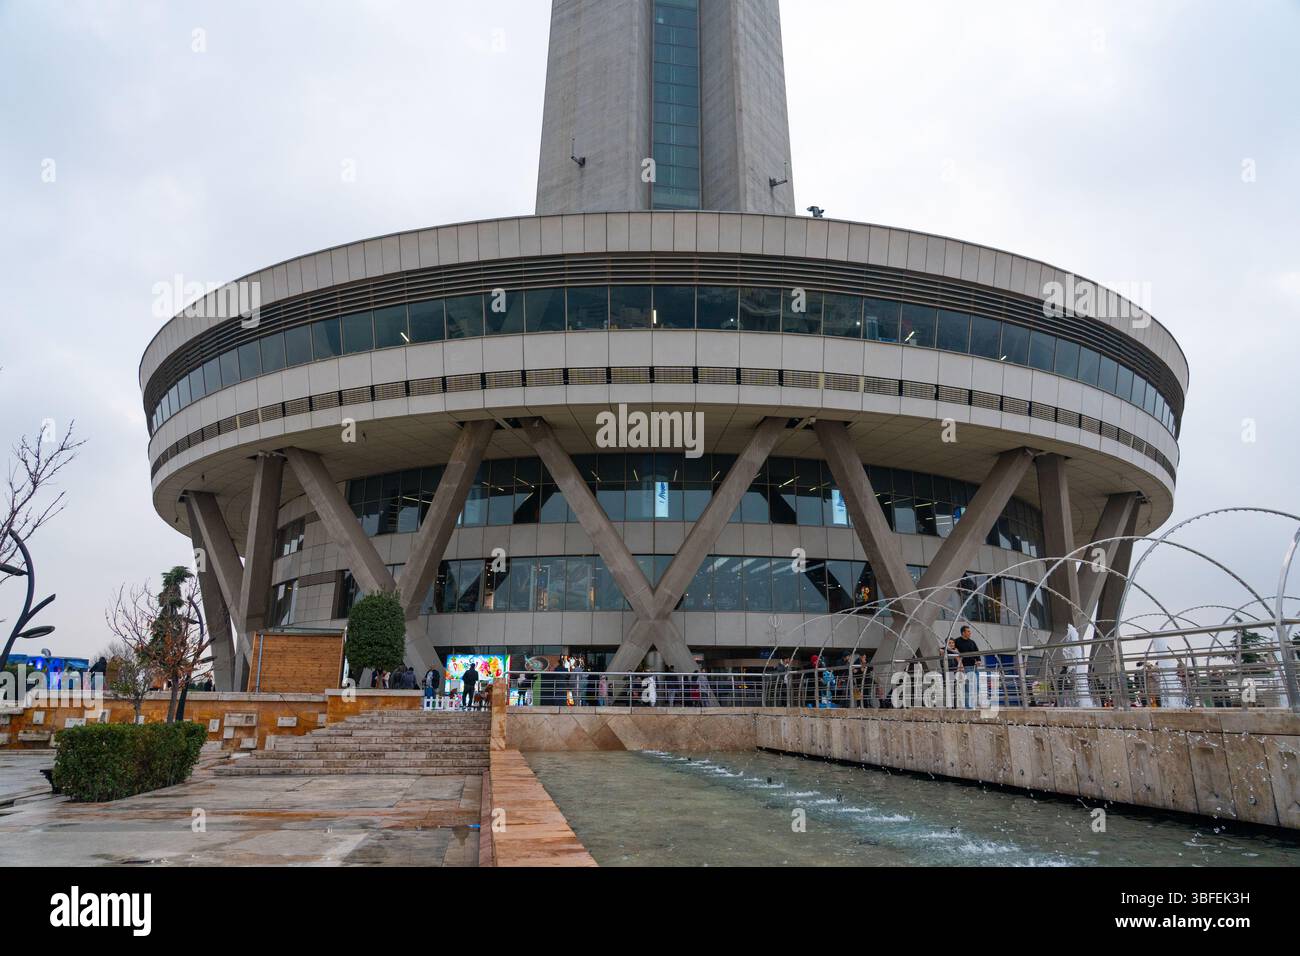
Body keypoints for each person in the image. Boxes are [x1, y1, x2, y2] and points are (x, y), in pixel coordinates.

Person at [954, 625, 981, 708]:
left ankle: (973, 704)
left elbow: (977, 652)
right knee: (967, 688)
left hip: (974, 667)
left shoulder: (972, 642)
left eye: (970, 631)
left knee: (976, 686)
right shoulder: (957, 641)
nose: (970, 633)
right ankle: (968, 706)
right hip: (965, 667)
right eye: (968, 631)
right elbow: (951, 648)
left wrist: (978, 660)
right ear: (963, 632)